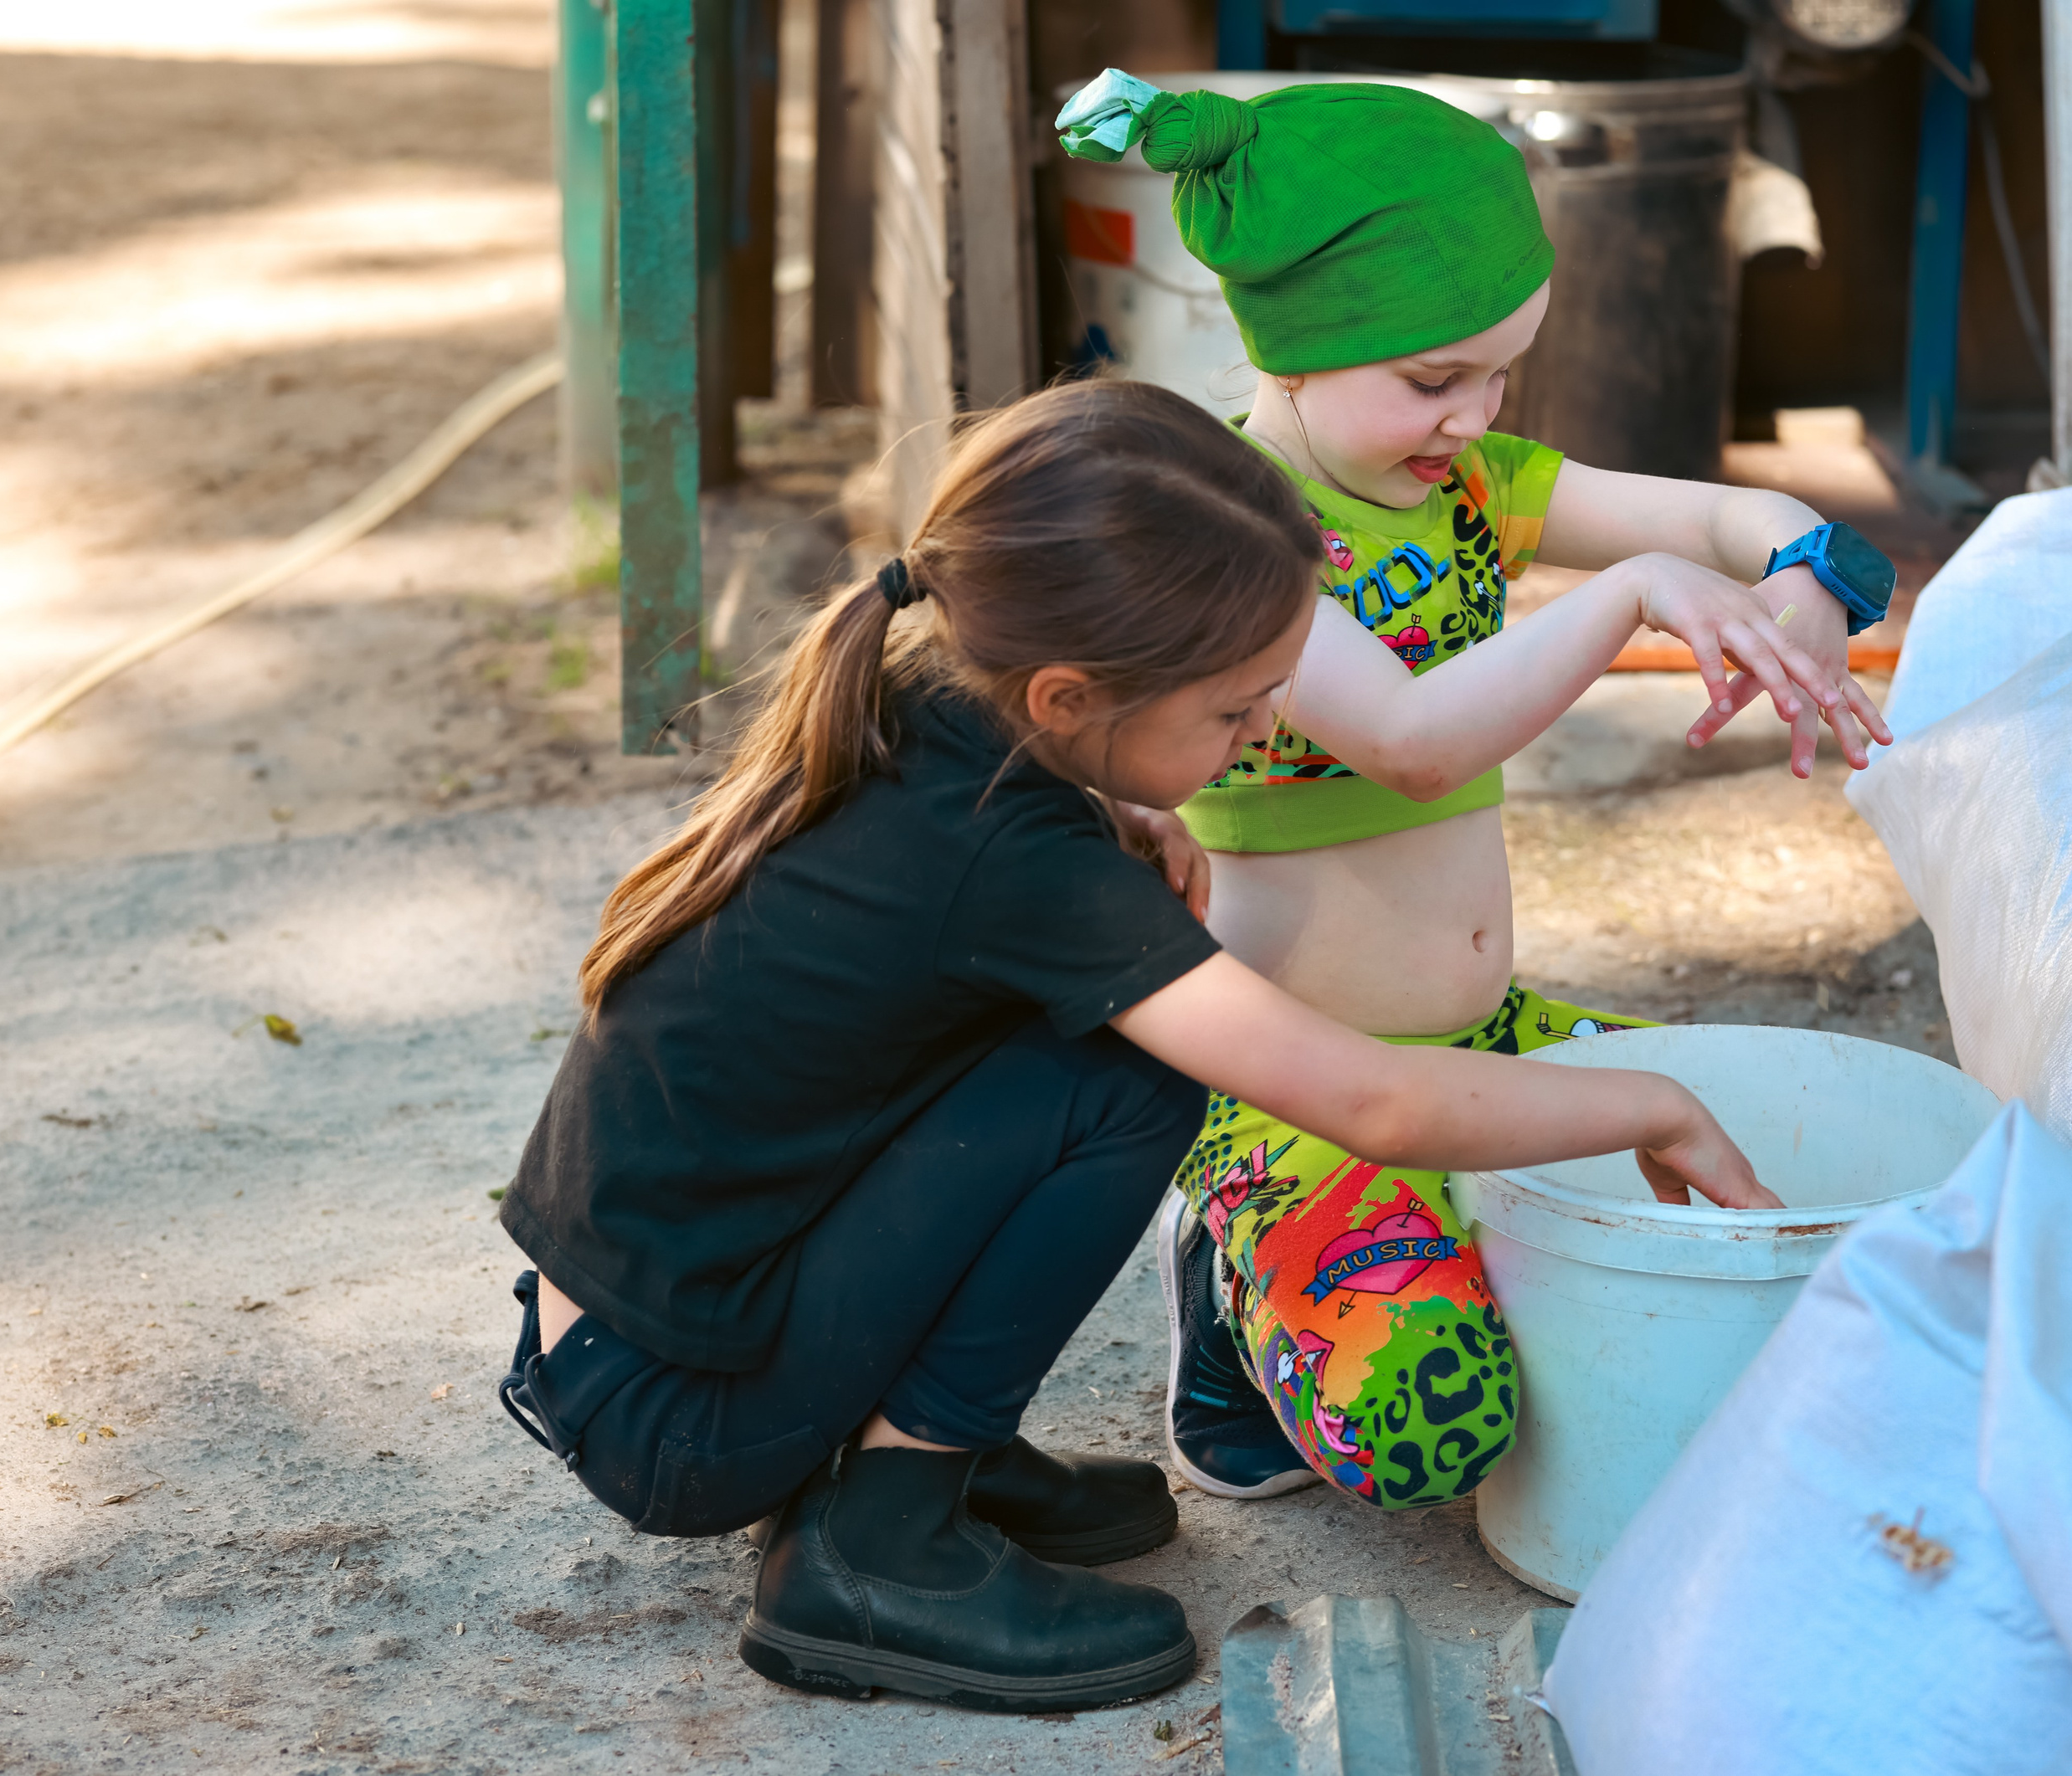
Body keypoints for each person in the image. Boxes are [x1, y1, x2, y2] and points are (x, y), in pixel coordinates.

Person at [492, 379, 1788, 1715]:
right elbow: (1375, 1100)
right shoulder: (1013, 854)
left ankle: (922, 1445)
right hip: (681, 1418)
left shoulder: (939, 707)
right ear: (1065, 694)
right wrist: (1653, 1105)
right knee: (1140, 1063)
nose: (1265, 737)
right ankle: (878, 1539)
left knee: (1094, 1032)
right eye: (1234, 713)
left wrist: (1110, 803)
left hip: (633, 1345)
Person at [1056, 72, 1900, 1507]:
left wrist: (1811, 576)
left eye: (1502, 371)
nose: (1476, 413)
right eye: (1435, 379)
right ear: (1298, 349)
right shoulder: (1239, 531)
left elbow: (1713, 510)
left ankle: (1395, 1235)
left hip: (1482, 1032)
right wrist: (1629, 592)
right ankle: (1225, 1273)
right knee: (1431, 1427)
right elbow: (1413, 740)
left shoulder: (1469, 485)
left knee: (1789, 1194)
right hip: (1295, 1082)